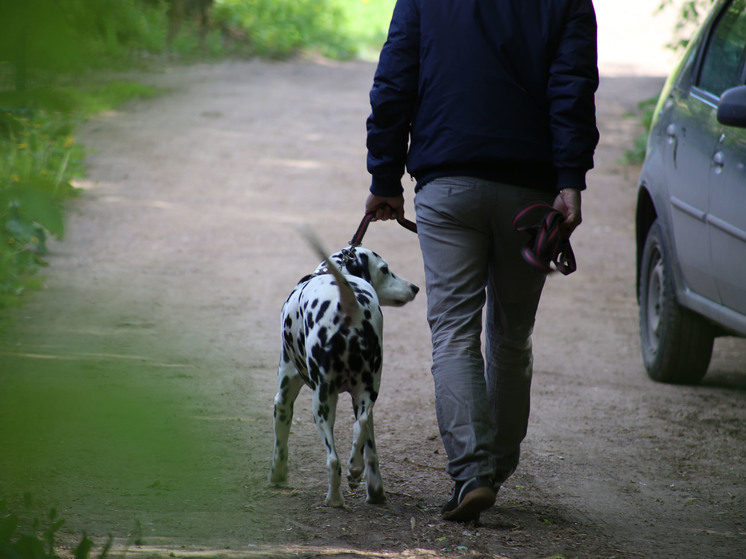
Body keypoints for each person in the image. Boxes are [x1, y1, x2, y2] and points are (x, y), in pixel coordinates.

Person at [364, 0, 599, 522]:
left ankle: (472, 473)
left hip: (447, 184)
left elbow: (395, 79)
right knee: (511, 336)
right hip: (531, 193)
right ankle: (492, 470)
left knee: (453, 330)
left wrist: (384, 179)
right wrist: (570, 180)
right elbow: (574, 88)